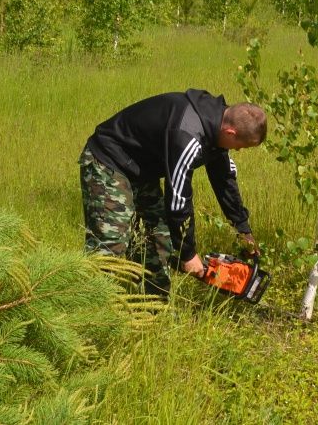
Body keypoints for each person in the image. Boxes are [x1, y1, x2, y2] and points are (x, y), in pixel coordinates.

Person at [79, 89, 266, 298]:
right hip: (109, 160)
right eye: (241, 145)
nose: (239, 151)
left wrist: (243, 229)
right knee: (111, 244)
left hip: (140, 169)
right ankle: (89, 309)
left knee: (160, 237)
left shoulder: (216, 125)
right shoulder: (187, 135)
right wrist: (188, 253)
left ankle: (153, 307)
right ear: (230, 132)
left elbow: (224, 180)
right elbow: (178, 196)